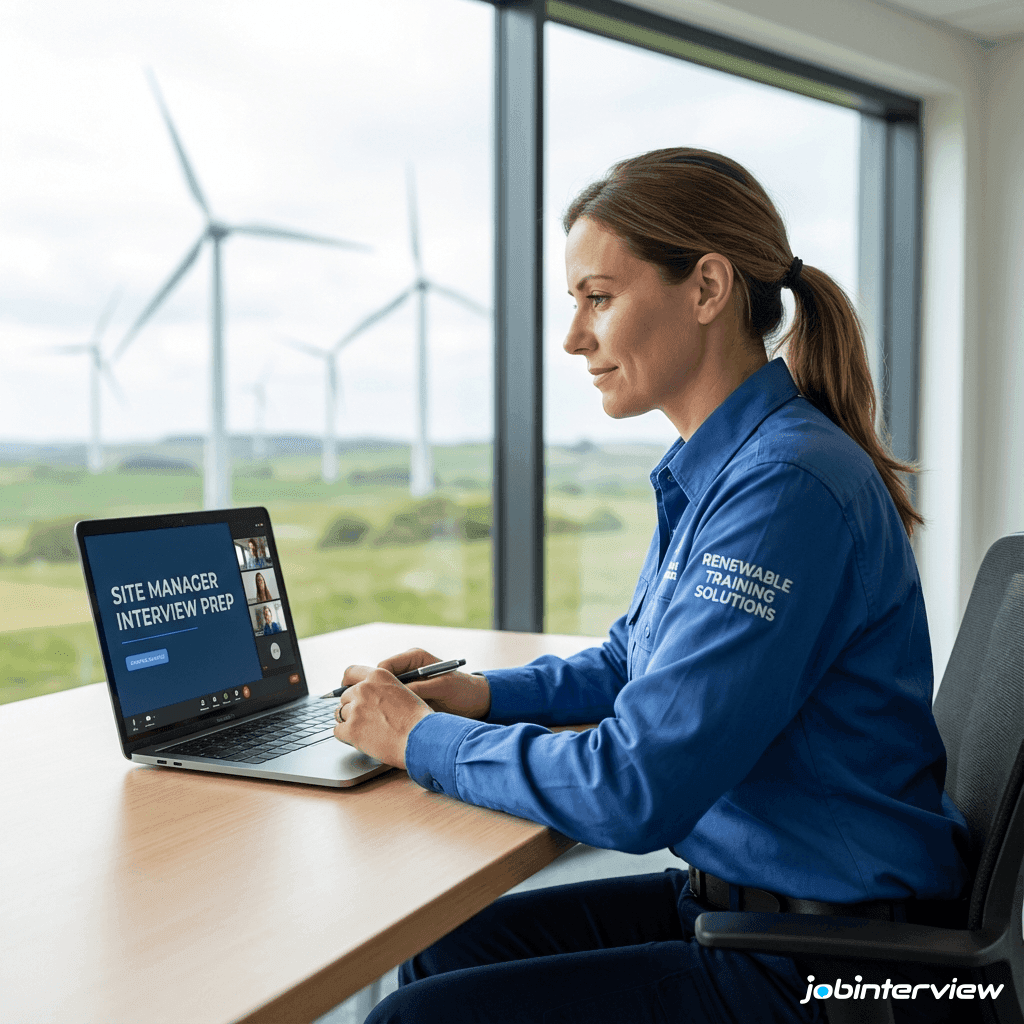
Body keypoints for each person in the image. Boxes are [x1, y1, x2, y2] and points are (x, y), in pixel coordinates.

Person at [332, 149, 973, 1024]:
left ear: (707, 289)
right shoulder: (720, 468)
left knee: (414, 1020)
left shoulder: (785, 488)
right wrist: (476, 694)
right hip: (738, 908)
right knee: (447, 949)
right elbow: (631, 663)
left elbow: (632, 787)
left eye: (599, 298)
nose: (573, 337)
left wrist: (422, 741)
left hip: (832, 970)